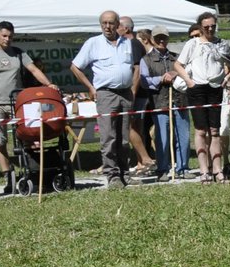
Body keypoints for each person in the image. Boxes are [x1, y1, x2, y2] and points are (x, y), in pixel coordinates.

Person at [0, 20, 54, 190]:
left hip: (17, 102)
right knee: (0, 140)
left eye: (10, 36)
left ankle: (32, 170)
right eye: (4, 36)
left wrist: (48, 84)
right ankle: (8, 175)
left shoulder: (19, 53)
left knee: (26, 135)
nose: (7, 39)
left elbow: (34, 69)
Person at [70, 11, 140, 189]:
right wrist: (91, 88)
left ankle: (125, 172)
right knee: (108, 136)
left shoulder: (127, 43)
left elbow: (133, 67)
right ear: (100, 25)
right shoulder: (93, 43)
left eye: (111, 23)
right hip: (106, 94)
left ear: (118, 25)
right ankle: (112, 175)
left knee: (124, 137)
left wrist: (132, 88)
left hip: (125, 93)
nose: (107, 27)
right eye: (104, 23)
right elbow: (75, 67)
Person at [173, 11, 230, 182]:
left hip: (215, 88)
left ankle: (217, 169)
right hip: (197, 89)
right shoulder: (192, 44)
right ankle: (203, 171)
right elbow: (178, 64)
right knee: (201, 130)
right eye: (206, 26)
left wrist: (226, 80)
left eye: (213, 26)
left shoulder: (222, 44)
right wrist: (189, 81)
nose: (210, 29)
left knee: (215, 130)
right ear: (201, 27)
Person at [139, 26, 189, 179]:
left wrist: (175, 72)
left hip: (179, 101)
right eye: (158, 37)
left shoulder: (177, 58)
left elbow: (188, 72)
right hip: (159, 103)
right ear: (152, 40)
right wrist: (161, 78)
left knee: (184, 137)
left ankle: (183, 168)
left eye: (164, 37)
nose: (162, 40)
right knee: (162, 138)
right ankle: (162, 169)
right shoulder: (146, 60)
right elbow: (144, 81)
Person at [115, 16, 156, 175]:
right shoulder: (130, 44)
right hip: (137, 93)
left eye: (118, 26)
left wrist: (132, 92)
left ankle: (145, 158)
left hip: (136, 93)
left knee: (130, 126)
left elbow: (137, 70)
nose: (115, 28)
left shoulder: (133, 44)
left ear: (126, 29)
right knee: (137, 127)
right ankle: (141, 163)